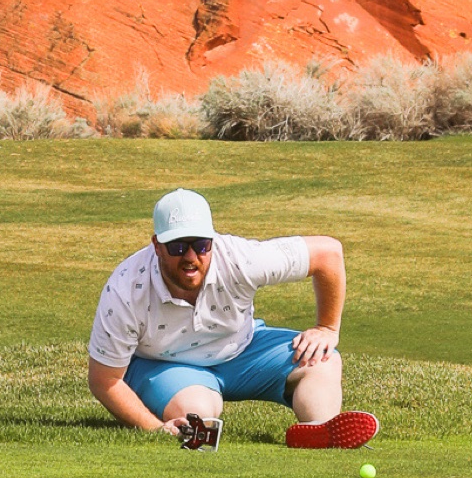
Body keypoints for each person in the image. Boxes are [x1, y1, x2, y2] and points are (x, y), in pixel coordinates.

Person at [86, 186, 379, 450]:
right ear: (156, 245)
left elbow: (328, 253)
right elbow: (105, 380)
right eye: (177, 247)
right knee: (198, 415)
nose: (190, 257)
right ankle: (198, 422)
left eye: (201, 245)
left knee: (323, 358)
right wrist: (153, 427)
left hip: (244, 350)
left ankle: (320, 432)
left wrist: (327, 328)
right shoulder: (126, 288)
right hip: (166, 364)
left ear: (212, 241)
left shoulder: (241, 258)